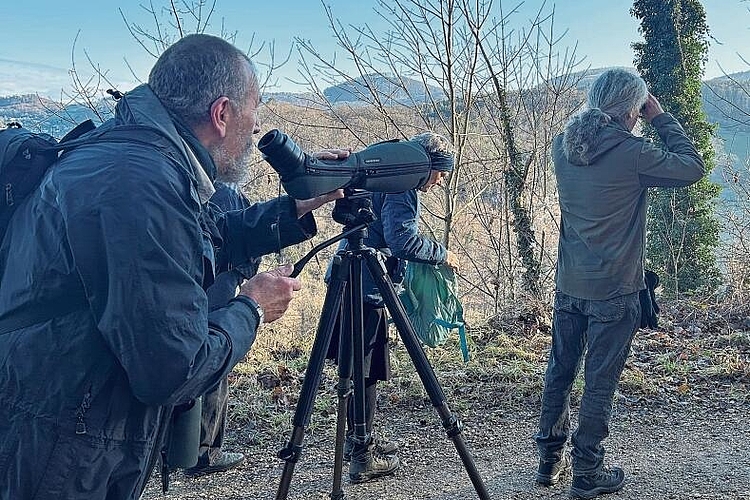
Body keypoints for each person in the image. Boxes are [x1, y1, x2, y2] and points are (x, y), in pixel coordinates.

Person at [0, 33, 346, 500]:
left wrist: (295, 209)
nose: (255, 125)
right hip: (63, 441)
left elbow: (192, 244)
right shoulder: (142, 185)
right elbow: (173, 369)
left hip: (54, 409)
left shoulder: (136, 154)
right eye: (254, 109)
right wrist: (249, 308)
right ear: (222, 114)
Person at [535, 68, 704, 499]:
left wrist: (631, 116)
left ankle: (548, 462)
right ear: (633, 109)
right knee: (599, 381)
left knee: (560, 370)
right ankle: (587, 472)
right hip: (615, 288)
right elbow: (691, 168)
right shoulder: (634, 152)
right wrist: (660, 118)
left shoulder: (562, 145)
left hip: (569, 284)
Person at [326, 132, 460, 484]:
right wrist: (443, 254)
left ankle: (358, 441)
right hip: (367, 284)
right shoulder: (403, 184)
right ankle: (361, 453)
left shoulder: (382, 170)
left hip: (344, 275)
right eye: (440, 173)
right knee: (365, 370)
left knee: (356, 367)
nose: (440, 181)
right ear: (427, 167)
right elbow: (403, 240)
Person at [182, 180, 261, 478]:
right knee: (216, 359)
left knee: (189, 357)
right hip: (221, 285)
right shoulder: (229, 193)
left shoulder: (184, 182)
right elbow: (247, 245)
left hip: (191, 288)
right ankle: (205, 452)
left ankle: (179, 447)